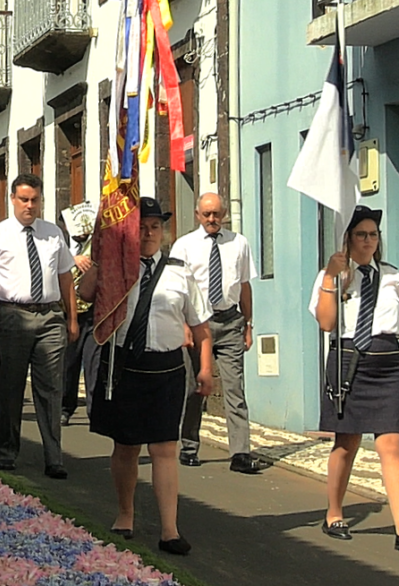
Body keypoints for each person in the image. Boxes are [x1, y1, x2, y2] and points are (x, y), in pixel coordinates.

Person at [83, 197, 213, 556]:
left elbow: (201, 327)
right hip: (124, 364)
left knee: (165, 448)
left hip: (166, 368)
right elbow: (84, 293)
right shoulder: (116, 267)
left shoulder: (179, 271)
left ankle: (170, 529)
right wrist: (101, 256)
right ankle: (125, 514)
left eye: (155, 226)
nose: (149, 233)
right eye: (141, 227)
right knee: (125, 445)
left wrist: (205, 368)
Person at [0, 174, 78, 477]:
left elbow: (66, 277)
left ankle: (54, 457)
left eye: (34, 200)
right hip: (13, 316)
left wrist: (71, 318)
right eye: (24, 200)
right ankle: (7, 452)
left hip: (49, 318)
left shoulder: (53, 233)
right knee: (11, 385)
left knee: (50, 389)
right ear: (13, 200)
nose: (29, 205)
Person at [310, 205, 399, 549]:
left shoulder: (392, 275)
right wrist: (333, 279)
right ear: (348, 238)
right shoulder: (332, 275)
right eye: (361, 234)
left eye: (373, 235)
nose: (368, 241)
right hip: (349, 362)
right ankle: (333, 512)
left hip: (389, 364)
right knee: (346, 443)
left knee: (391, 444)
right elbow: (327, 323)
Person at [170, 193, 268, 474]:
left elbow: (244, 285)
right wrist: (184, 326)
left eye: (217, 214)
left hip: (230, 322)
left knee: (235, 388)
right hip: (197, 322)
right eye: (207, 214)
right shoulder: (184, 246)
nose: (212, 219)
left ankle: (240, 453)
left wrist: (248, 324)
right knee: (193, 388)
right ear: (198, 215)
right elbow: (176, 290)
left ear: (224, 214)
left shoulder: (239, 243)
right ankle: (189, 446)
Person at [59, 215, 99, 425]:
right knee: (69, 363)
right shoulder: (59, 243)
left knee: (93, 365)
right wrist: (71, 260)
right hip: (67, 312)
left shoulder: (96, 244)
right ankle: (65, 407)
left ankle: (95, 412)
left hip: (93, 313)